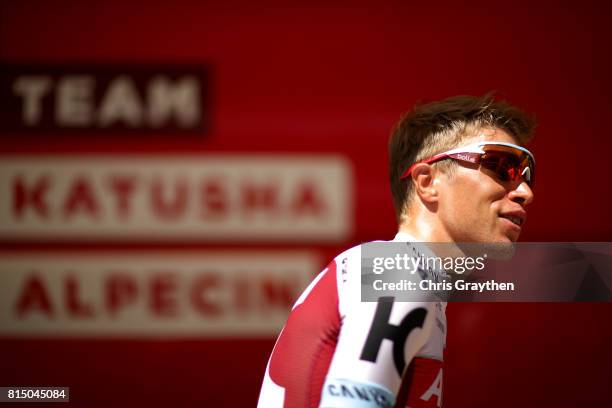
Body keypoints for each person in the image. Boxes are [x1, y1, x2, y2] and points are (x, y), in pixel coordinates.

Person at [257, 94, 536, 408]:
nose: (526, 192)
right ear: (427, 182)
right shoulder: (399, 270)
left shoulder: (412, 276)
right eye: (502, 166)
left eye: (526, 173)